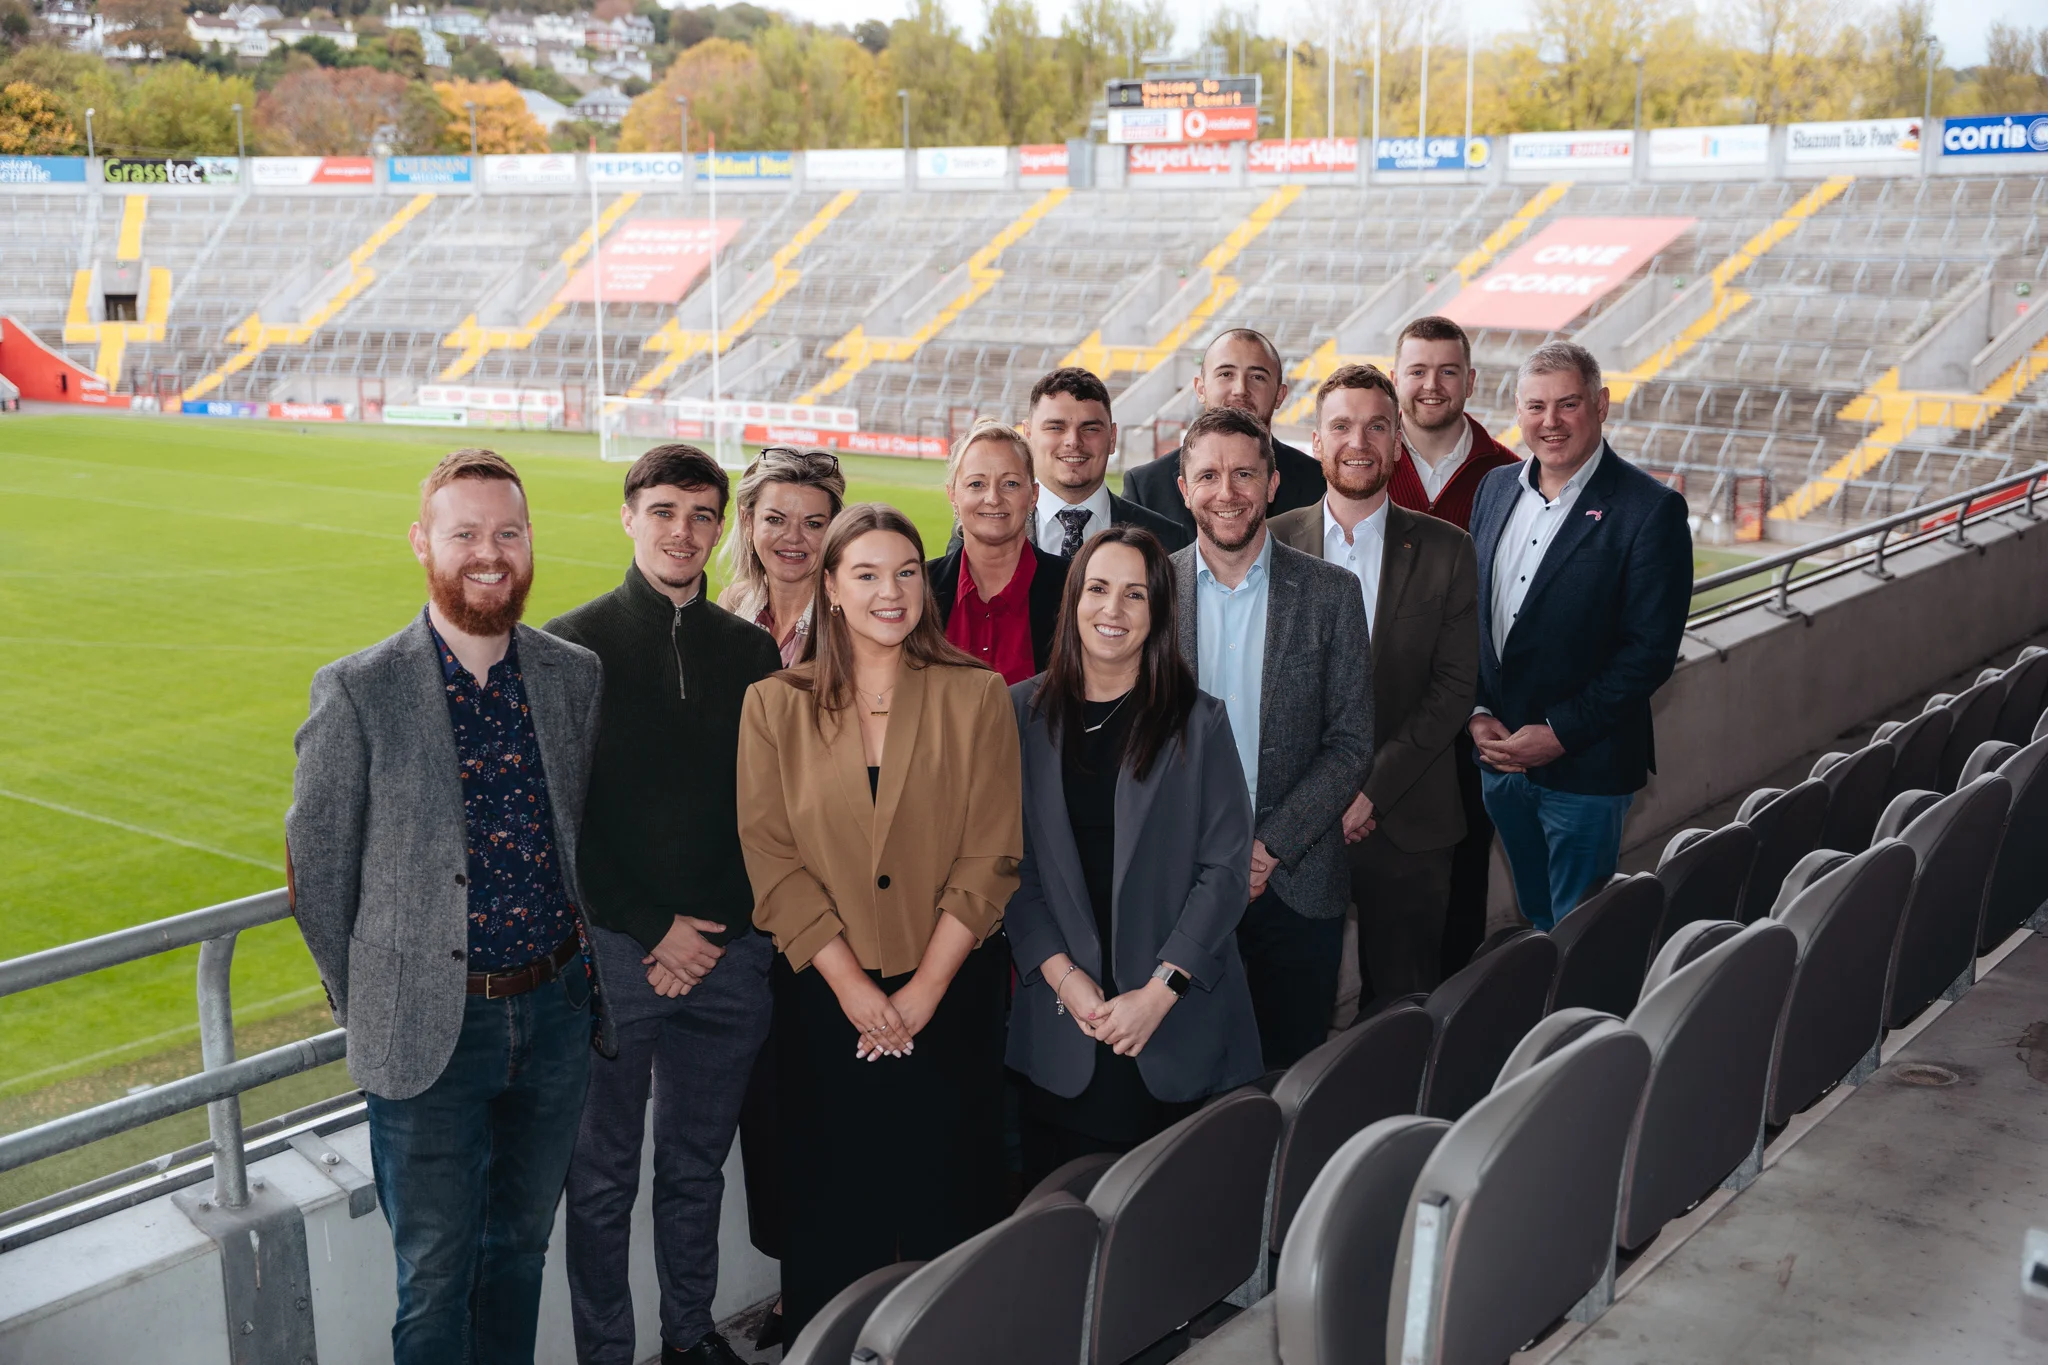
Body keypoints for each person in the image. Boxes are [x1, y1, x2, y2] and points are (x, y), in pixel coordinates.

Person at [286, 448, 609, 1365]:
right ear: (422, 543)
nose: (489, 552)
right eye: (464, 532)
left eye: (507, 532)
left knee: (517, 1252)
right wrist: (374, 996)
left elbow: (574, 828)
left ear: (530, 543)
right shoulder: (358, 689)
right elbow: (317, 869)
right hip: (429, 1031)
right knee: (433, 1275)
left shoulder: (570, 674)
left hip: (552, 1017)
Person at [737, 503, 1023, 1341]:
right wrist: (858, 991)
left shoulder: (977, 695)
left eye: (905, 571)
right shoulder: (772, 706)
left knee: (949, 1202)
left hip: (953, 996)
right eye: (864, 573)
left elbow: (993, 852)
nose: (889, 590)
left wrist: (925, 990)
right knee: (834, 1208)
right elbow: (772, 859)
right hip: (826, 1002)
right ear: (829, 587)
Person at [546, 446, 782, 1365]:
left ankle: (689, 1338)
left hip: (731, 955)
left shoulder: (751, 650)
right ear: (628, 516)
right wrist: (655, 929)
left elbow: (769, 808)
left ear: (720, 529)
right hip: (617, 955)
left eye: (701, 514)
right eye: (664, 511)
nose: (682, 531)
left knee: (694, 1169)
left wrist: (711, 929)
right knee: (601, 1179)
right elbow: (571, 820)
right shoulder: (573, 646)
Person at [1006, 525, 1261, 1187]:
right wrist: (1068, 982)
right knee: (1054, 1230)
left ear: (1158, 615)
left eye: (1134, 595)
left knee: (1160, 1238)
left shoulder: (1197, 722)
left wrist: (1156, 993)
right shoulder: (1018, 715)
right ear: (1073, 600)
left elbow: (1225, 872)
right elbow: (1011, 870)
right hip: (1066, 1025)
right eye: (1097, 588)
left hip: (1170, 1024)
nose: (1112, 610)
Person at [1169, 406, 1374, 1070]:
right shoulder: (1149, 594)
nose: (1226, 492)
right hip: (1178, 883)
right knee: (1187, 1079)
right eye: (1208, 475)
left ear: (1274, 482)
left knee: (1288, 1080)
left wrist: (1269, 846)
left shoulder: (1331, 594)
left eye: (1243, 474)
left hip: (1296, 882)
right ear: (1183, 487)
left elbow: (1350, 744)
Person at [1269, 365, 1479, 1000]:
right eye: (1341, 426)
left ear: (1397, 443)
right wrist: (1321, 797)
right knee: (1294, 1009)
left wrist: (1370, 792)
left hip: (1409, 822)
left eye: (1375, 427)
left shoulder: (1449, 549)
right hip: (1292, 826)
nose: (1357, 442)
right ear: (1316, 440)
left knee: (1403, 1008)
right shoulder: (1272, 544)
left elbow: (1453, 688)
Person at [1469, 341, 1693, 930]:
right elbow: (1470, 615)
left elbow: (1649, 654)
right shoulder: (1493, 490)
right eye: (1535, 406)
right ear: (1517, 411)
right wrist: (1475, 710)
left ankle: (1581, 1023)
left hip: (1586, 769)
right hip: (1501, 762)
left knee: (1578, 932)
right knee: (1539, 916)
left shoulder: (1650, 510)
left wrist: (1560, 733)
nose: (1550, 422)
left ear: (1600, 404)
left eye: (1567, 405)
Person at [1389, 315, 1521, 980]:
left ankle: (1453, 1027)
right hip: (1378, 719)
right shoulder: (1364, 467)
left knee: (1465, 876)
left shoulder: (1511, 475)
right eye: (1417, 370)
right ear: (1395, 379)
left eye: (1446, 371)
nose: (1431, 385)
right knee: (1379, 885)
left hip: (1470, 722)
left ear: (1470, 380)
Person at [1123, 328, 1328, 539]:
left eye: (1257, 377)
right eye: (1226, 374)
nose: (1240, 389)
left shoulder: (1319, 483)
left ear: (1280, 395)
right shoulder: (1145, 488)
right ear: (1201, 389)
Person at [927, 420, 1073, 684]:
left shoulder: (1072, 587)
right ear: (953, 496)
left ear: (1034, 496)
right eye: (976, 484)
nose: (993, 498)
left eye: (1011, 484)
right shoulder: (920, 587)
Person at [1022, 365, 1190, 554]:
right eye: (1055, 427)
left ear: (1112, 438)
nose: (1073, 441)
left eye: (1090, 428)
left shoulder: (1168, 539)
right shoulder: (990, 529)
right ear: (1028, 435)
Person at [717, 446, 847, 667]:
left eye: (812, 524)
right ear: (748, 521)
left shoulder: (850, 618)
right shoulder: (733, 604)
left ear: (833, 529)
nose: (793, 537)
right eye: (775, 520)